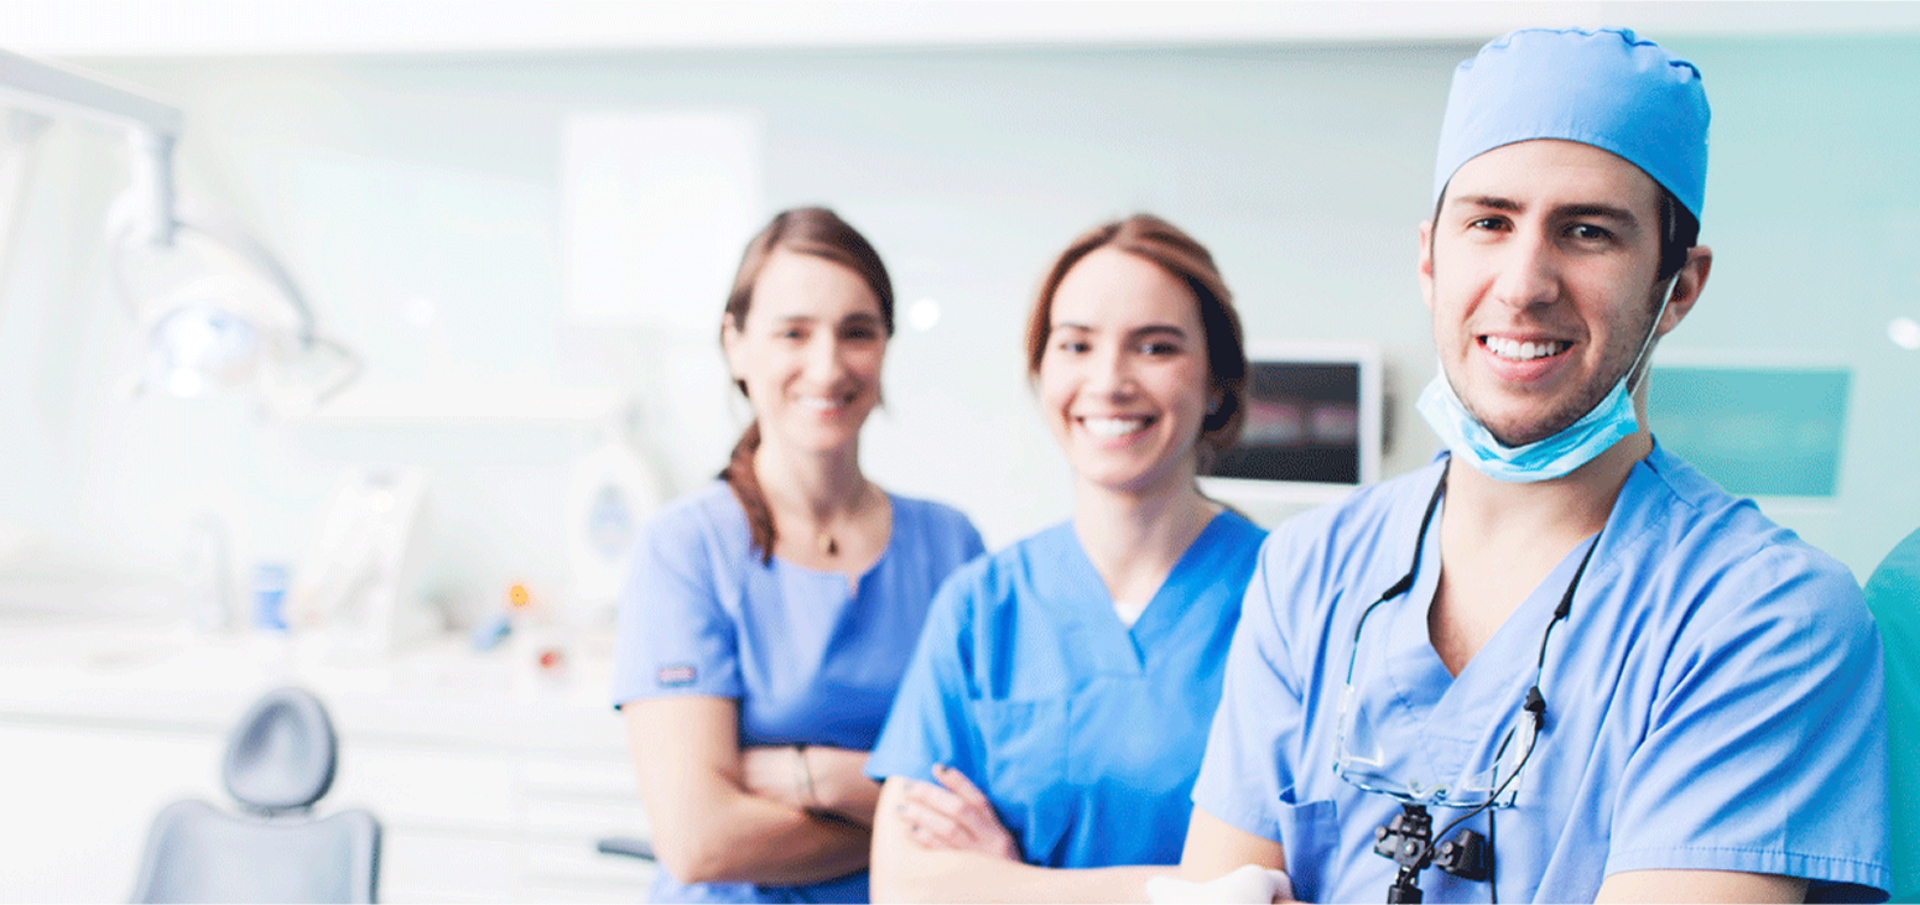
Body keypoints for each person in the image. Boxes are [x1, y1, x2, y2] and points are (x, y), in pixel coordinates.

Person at [1179, 28, 1890, 904]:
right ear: (1431, 257)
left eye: (1588, 232)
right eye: (1489, 221)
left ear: (1681, 287)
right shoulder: (1307, 571)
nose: (1524, 283)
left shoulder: (1763, 614)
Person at [865, 214, 1269, 902]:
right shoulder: (982, 606)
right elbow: (904, 884)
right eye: (1076, 344)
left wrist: (1009, 882)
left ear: (1217, 385)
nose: (1108, 380)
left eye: (1155, 346)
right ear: (1041, 370)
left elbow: (1295, 882)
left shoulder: (1287, 598)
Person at [612, 207, 985, 904]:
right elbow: (700, 841)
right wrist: (903, 814)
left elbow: (986, 799)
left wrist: (818, 775)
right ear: (736, 344)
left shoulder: (951, 545)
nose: (828, 364)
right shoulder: (686, 548)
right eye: (793, 332)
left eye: (857, 332)